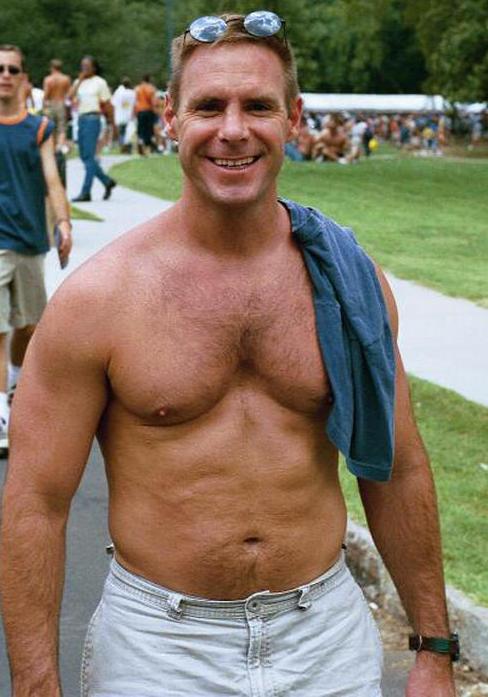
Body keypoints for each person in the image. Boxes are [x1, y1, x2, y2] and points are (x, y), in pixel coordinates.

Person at [0, 14, 458, 697]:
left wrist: (434, 649)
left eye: (259, 106)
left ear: (293, 119)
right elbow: (36, 504)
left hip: (323, 638)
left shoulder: (348, 280)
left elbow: (399, 464)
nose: (234, 130)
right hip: (159, 649)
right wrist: (37, 685)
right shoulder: (99, 300)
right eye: (210, 106)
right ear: (171, 121)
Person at [0, 44, 72, 450]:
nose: (5, 75)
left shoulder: (39, 128)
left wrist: (63, 223)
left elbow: (52, 181)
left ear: (24, 78)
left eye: (13, 69)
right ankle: (1, 413)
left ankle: (13, 382)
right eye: (0, 69)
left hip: (30, 240)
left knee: (28, 327)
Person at [70, 55, 117, 202]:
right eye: (82, 66)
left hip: (93, 119)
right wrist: (79, 80)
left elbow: (108, 105)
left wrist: (112, 124)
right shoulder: (78, 82)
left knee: (89, 157)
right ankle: (107, 181)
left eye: (87, 66)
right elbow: (70, 97)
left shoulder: (100, 82)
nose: (84, 68)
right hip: (81, 119)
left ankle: (86, 192)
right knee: (84, 156)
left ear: (94, 68)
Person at [43, 59, 71, 152]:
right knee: (62, 127)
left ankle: (53, 147)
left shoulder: (48, 79)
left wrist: (44, 107)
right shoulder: (65, 79)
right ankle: (59, 147)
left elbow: (46, 95)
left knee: (51, 127)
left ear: (52, 67)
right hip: (61, 103)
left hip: (50, 104)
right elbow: (69, 94)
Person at [111, 76, 136, 153]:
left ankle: (122, 146)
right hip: (129, 115)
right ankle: (127, 147)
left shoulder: (119, 93)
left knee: (121, 132)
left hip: (120, 115)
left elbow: (113, 103)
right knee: (129, 132)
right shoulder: (132, 93)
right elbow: (135, 104)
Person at [134, 73, 157, 156]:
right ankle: (148, 148)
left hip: (140, 111)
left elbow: (135, 101)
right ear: (149, 79)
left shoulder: (137, 88)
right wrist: (155, 111)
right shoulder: (151, 88)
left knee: (140, 129)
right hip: (148, 110)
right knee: (149, 129)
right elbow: (153, 101)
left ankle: (140, 142)